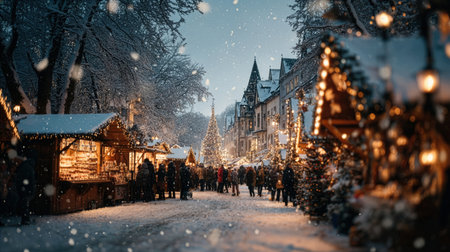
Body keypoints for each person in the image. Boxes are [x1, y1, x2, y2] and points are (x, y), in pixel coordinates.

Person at [15, 149, 37, 225]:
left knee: (24, 204)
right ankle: (26, 219)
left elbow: (23, 179)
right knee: (25, 204)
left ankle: (25, 219)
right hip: (28, 189)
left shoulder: (24, 167)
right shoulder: (28, 166)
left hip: (26, 189)